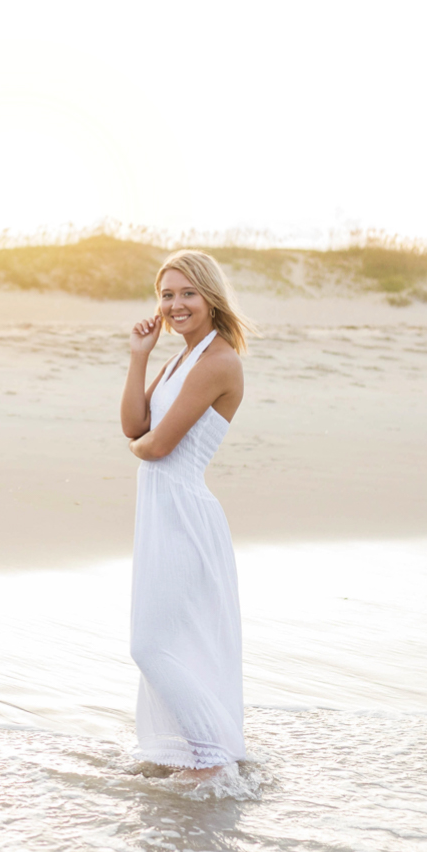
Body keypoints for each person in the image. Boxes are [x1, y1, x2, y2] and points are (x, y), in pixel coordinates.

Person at [119, 249, 252, 780]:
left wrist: (138, 449)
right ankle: (189, 754)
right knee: (170, 640)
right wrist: (139, 356)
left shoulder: (219, 361)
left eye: (187, 293)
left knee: (149, 644)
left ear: (211, 297)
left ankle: (214, 758)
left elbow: (153, 448)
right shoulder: (181, 358)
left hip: (183, 514)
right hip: (160, 512)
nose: (175, 305)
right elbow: (135, 425)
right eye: (167, 294)